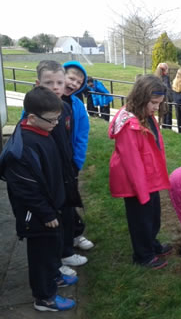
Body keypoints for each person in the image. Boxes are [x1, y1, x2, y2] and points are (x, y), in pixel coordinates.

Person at [0, 87, 77, 312]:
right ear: (32, 118)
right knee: (41, 254)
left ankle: (55, 275)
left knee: (53, 246)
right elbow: (26, 189)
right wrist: (46, 213)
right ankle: (45, 297)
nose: (56, 124)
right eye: (52, 120)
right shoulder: (21, 149)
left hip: (52, 206)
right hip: (37, 214)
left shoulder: (43, 132)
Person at [108, 75, 172, 269]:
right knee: (140, 220)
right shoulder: (129, 125)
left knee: (153, 216)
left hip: (149, 177)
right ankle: (143, 255)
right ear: (141, 98)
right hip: (136, 182)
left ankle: (151, 244)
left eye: (159, 104)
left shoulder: (145, 116)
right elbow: (132, 162)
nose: (156, 108)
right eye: (153, 103)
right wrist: (142, 191)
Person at [35, 60, 85, 277]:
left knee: (66, 208)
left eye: (59, 82)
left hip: (66, 167)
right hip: (48, 173)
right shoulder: (37, 108)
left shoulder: (69, 106)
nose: (58, 86)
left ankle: (67, 247)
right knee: (53, 215)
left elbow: (78, 136)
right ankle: (57, 259)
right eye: (51, 82)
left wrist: (75, 163)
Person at [62, 61, 93, 266]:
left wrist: (77, 162)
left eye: (79, 82)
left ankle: (75, 234)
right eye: (71, 78)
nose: (74, 83)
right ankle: (64, 246)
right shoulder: (45, 100)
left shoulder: (76, 106)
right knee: (60, 204)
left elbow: (82, 135)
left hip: (69, 162)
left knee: (70, 198)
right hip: (52, 162)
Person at [155, 62, 173, 129]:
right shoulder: (166, 78)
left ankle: (163, 127)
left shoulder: (156, 77)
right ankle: (168, 128)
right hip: (166, 99)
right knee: (167, 116)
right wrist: (171, 99)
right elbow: (167, 89)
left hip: (160, 99)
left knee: (162, 115)